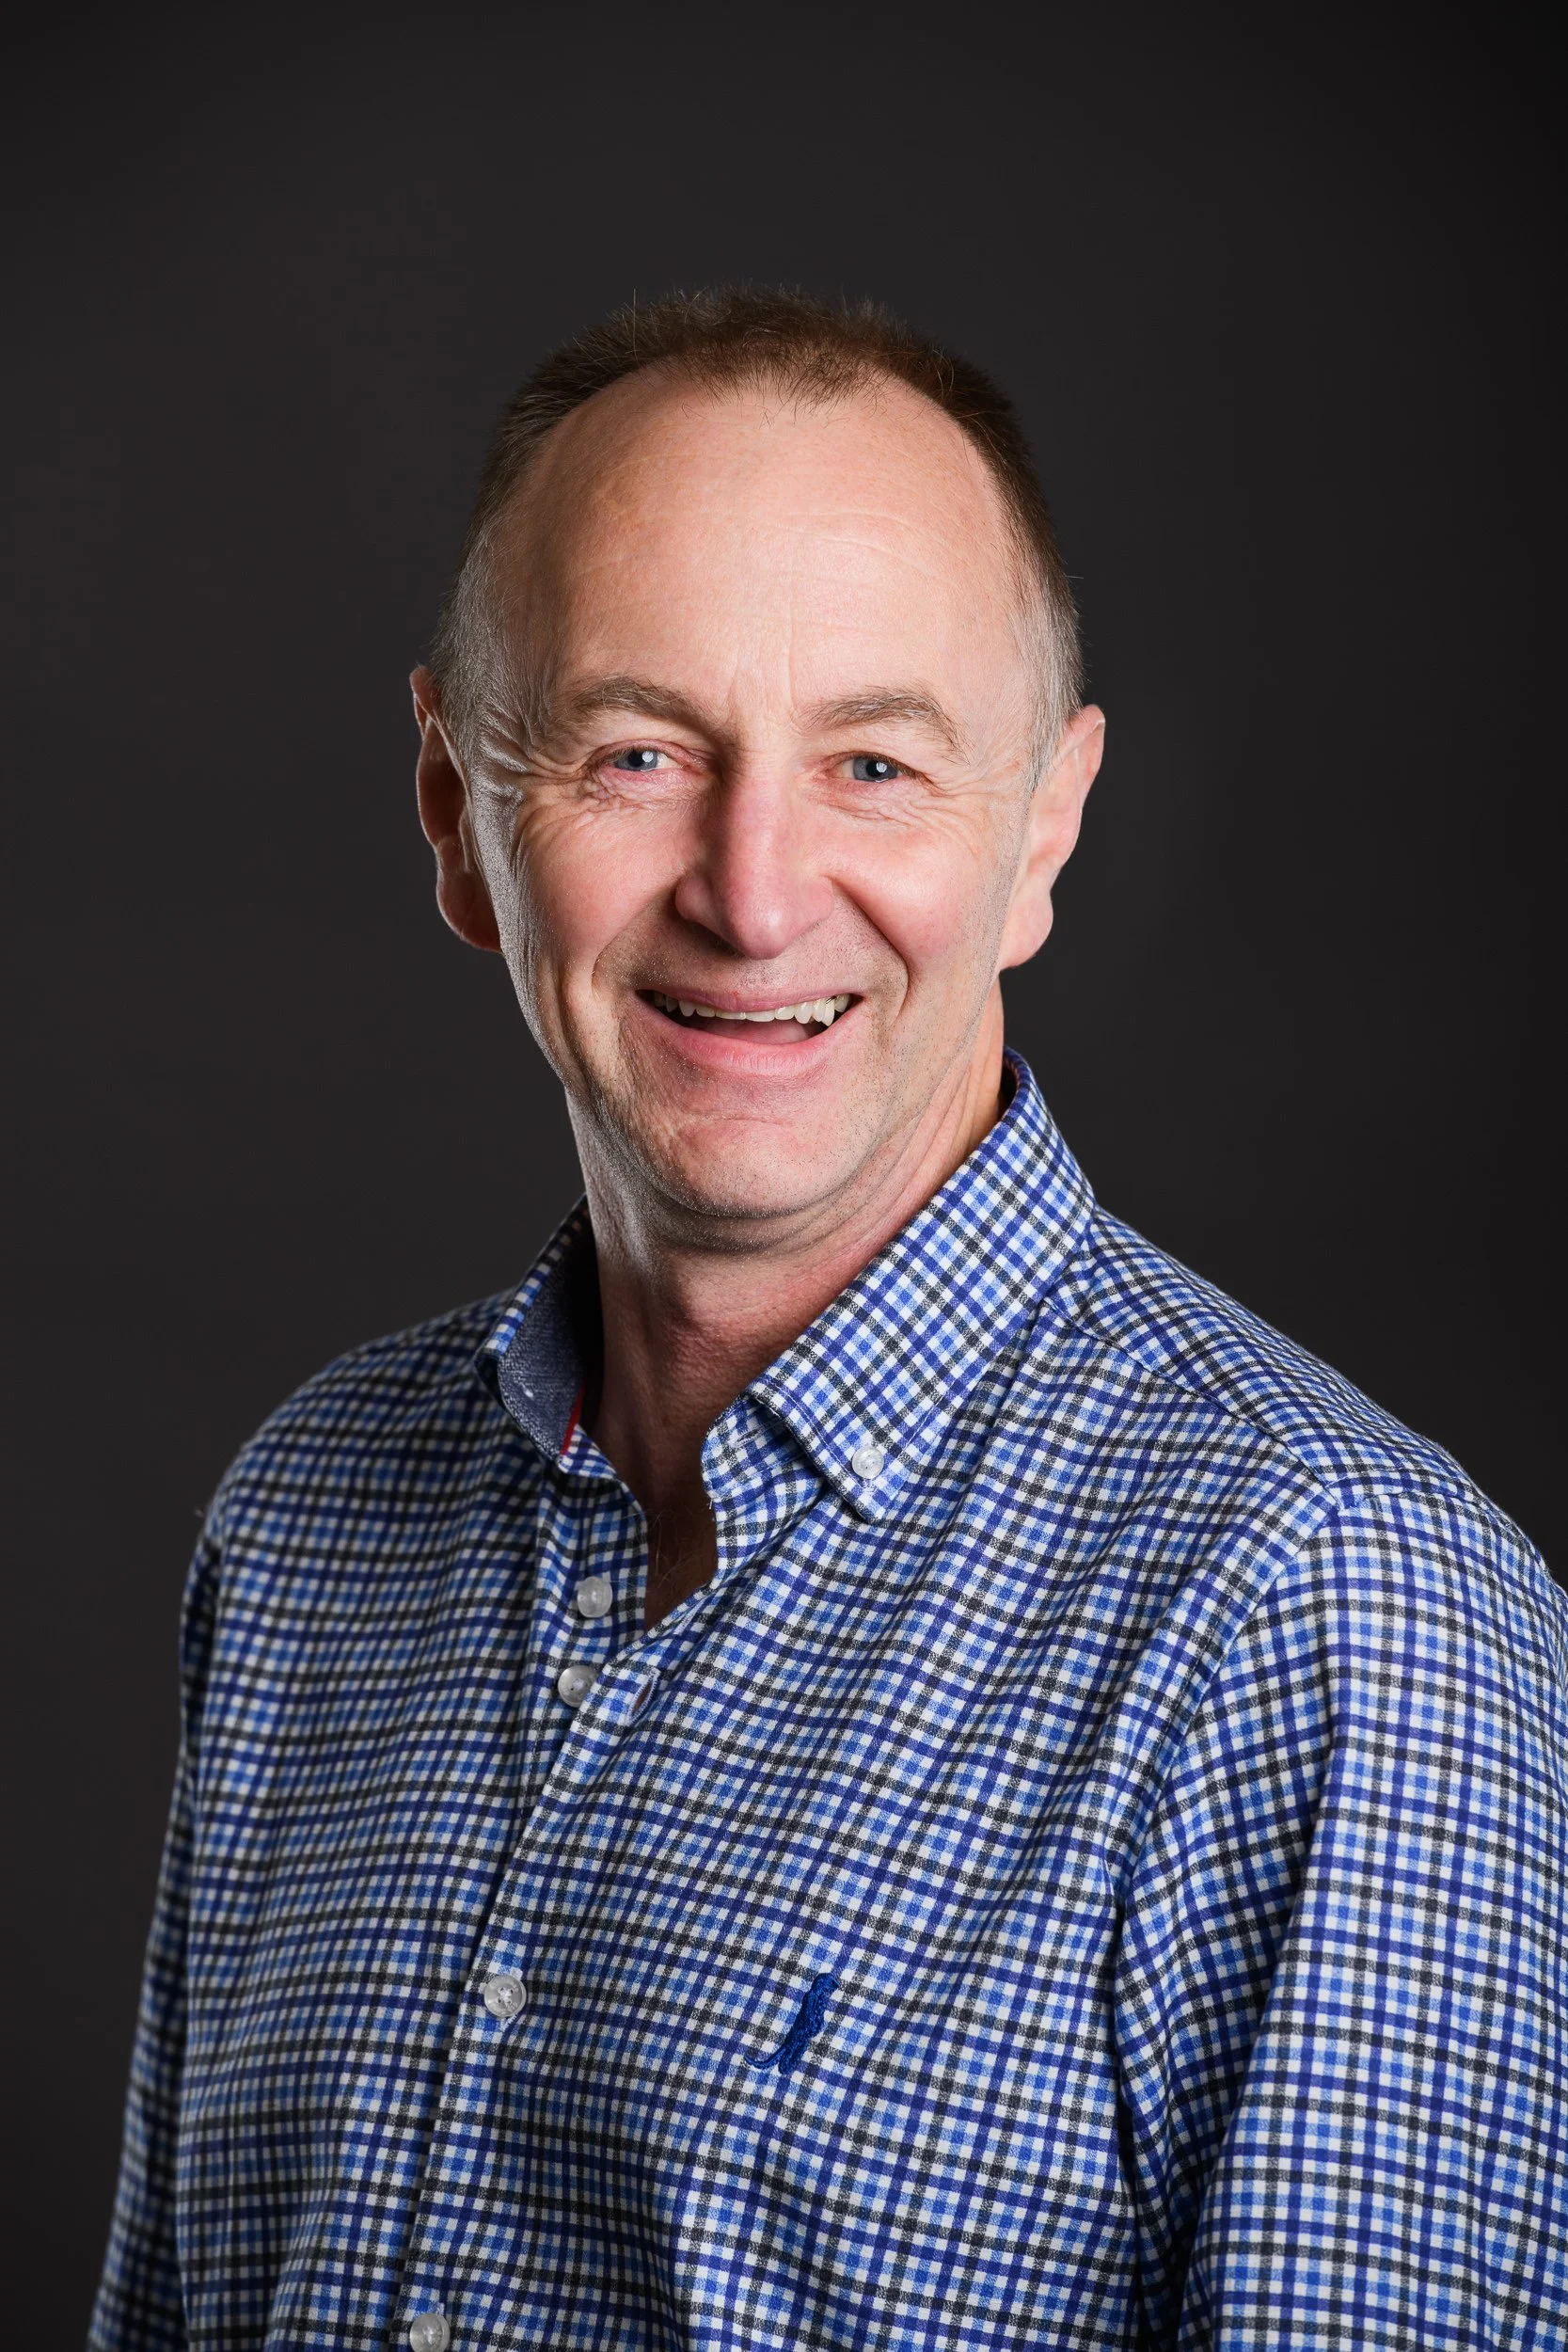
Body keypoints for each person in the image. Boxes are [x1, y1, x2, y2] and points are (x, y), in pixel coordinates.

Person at [92, 288, 1565, 2352]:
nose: (754, 888)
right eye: (635, 750)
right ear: (453, 808)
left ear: (1040, 824)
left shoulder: (1326, 1618)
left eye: (873, 761)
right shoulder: (308, 1516)